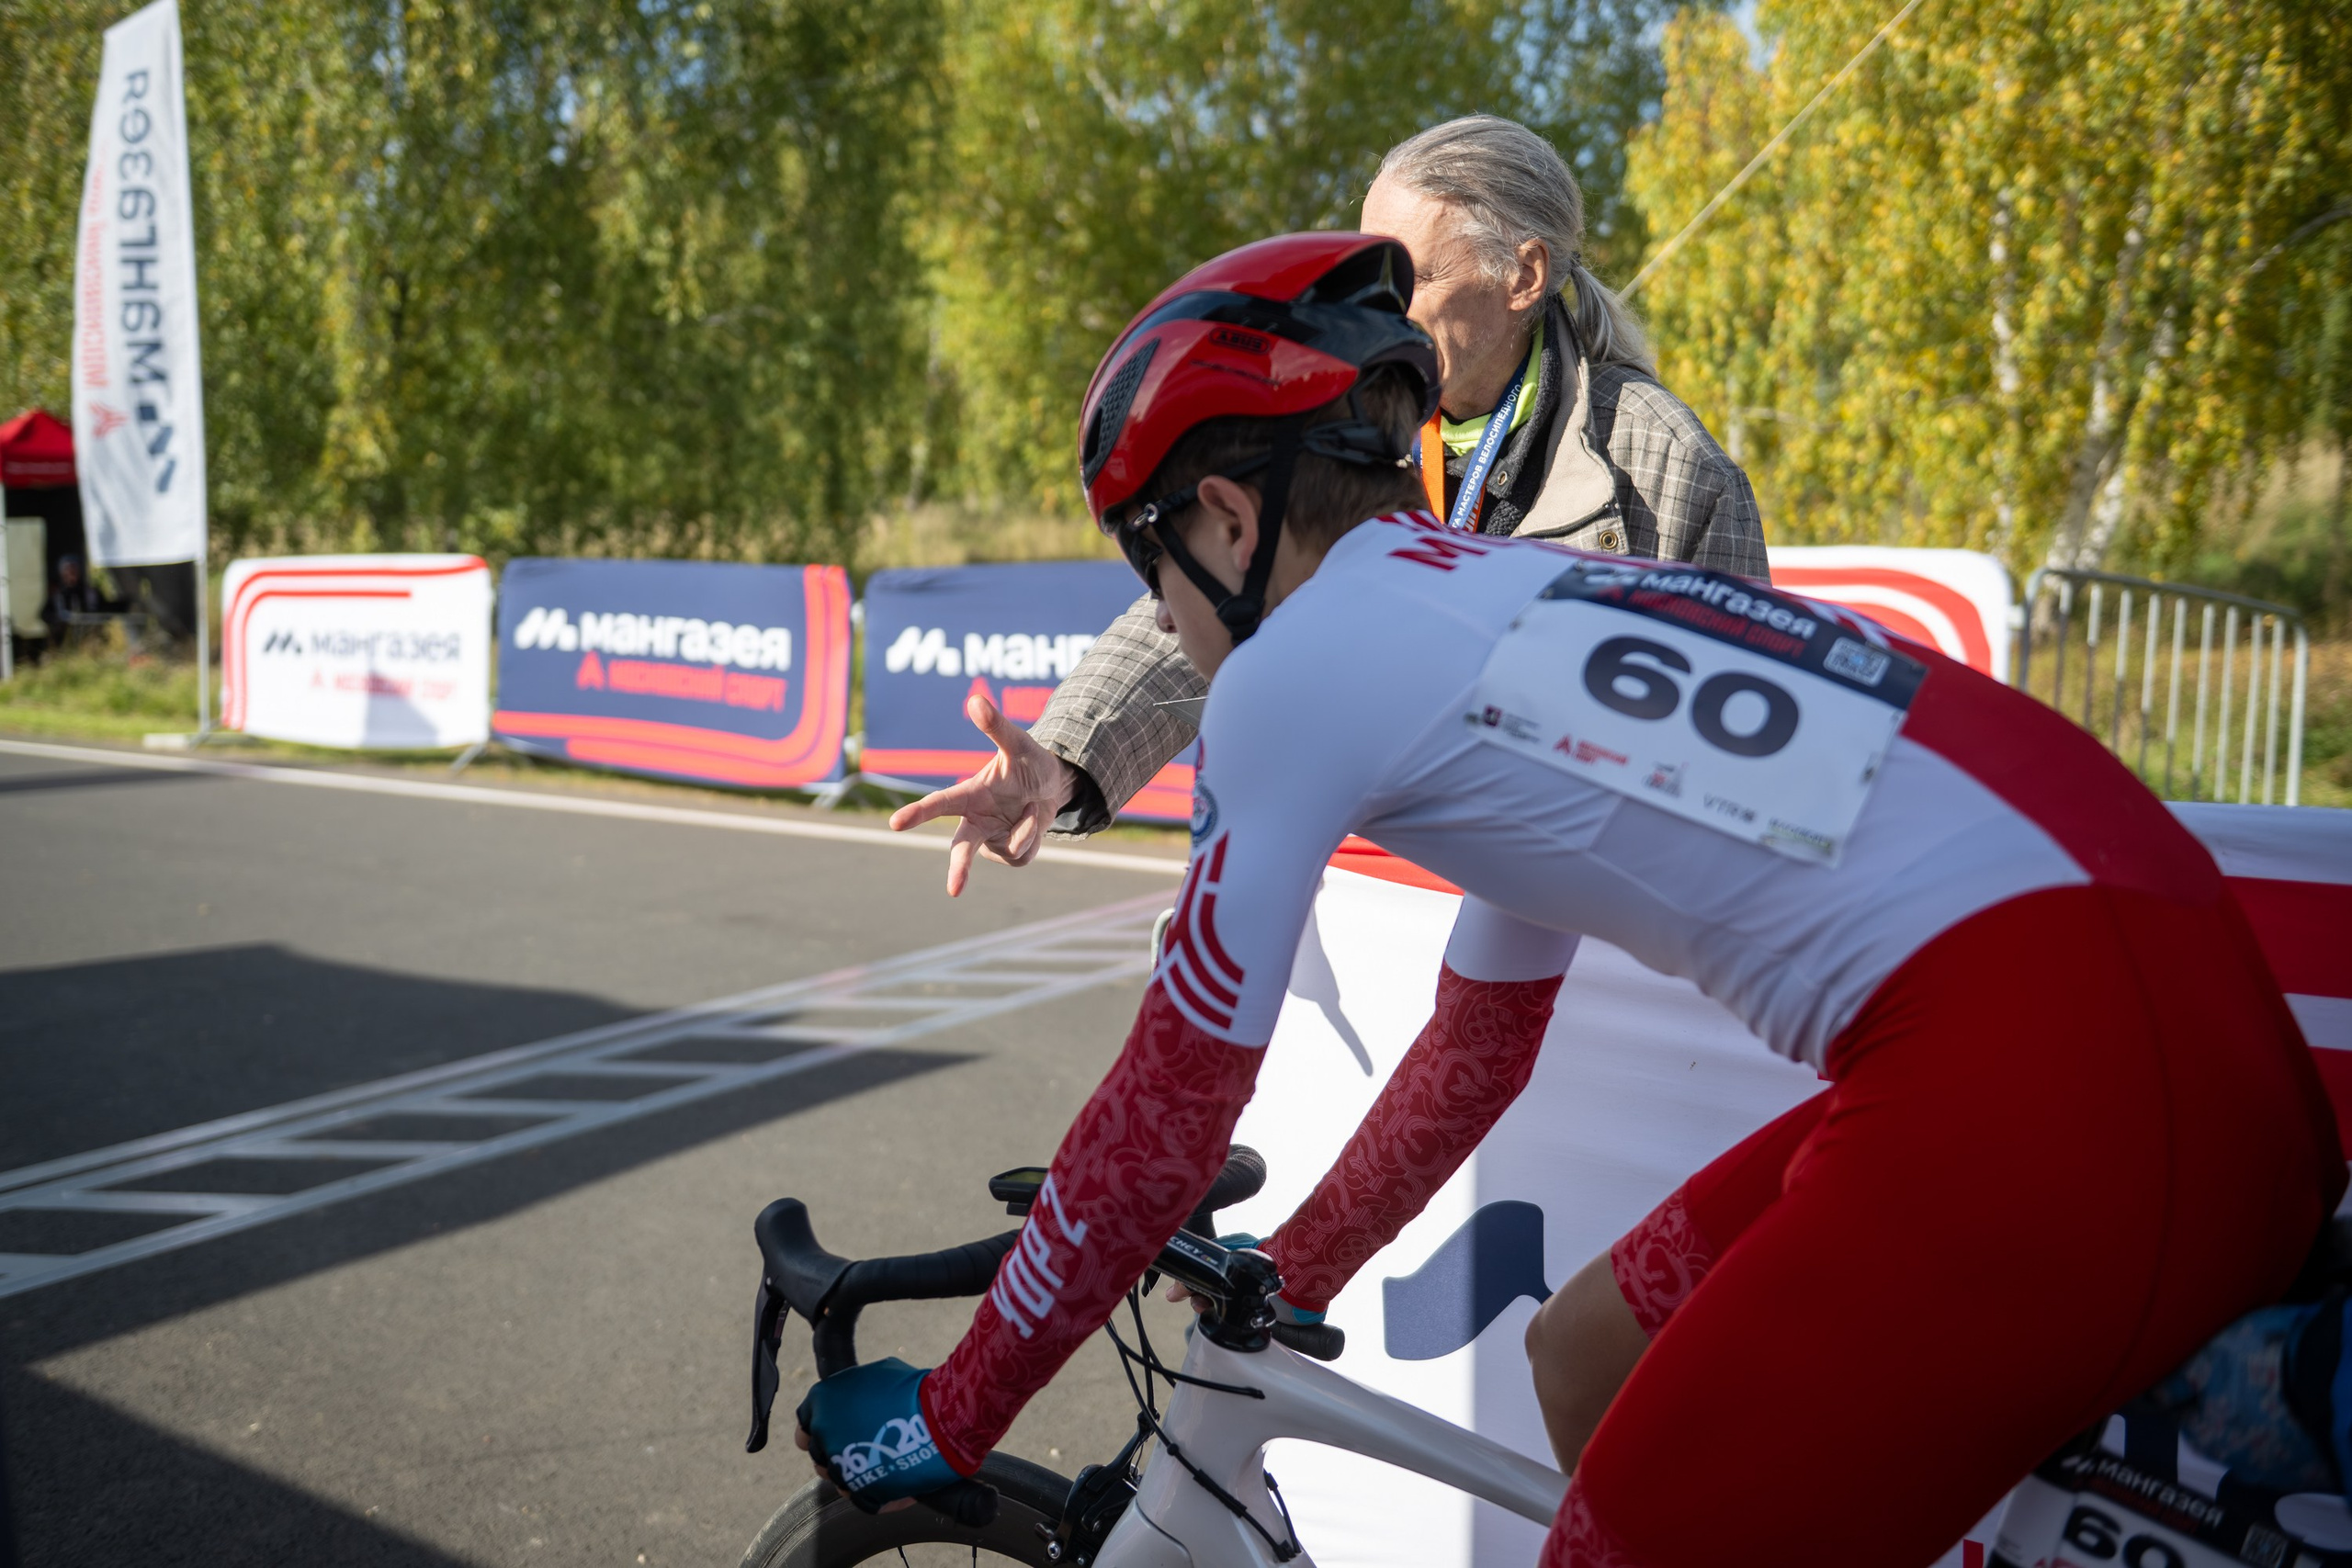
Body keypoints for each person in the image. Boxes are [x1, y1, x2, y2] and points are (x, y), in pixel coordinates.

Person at [796, 232, 2343, 1566]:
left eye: (1154, 571)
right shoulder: (1512, 616)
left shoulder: (1296, 677)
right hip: (2181, 1032)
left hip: (2048, 1088)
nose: (1168, 623)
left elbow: (1161, 1124)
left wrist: (951, 1410)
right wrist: (1292, 1277)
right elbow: (1478, 1054)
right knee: (1587, 1347)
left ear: (1222, 517)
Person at [890, 114, 1768, 896]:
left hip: (1562, 916)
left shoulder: (1664, 463)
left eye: (1407, 281)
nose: (1378, 318)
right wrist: (1065, 762)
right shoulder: (1336, 413)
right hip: (1366, 900)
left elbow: (1750, 755)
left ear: (1524, 276)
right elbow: (1215, 594)